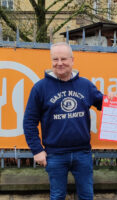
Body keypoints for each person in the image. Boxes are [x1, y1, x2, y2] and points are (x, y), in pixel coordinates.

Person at [23, 42, 112, 199]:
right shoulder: (40, 88)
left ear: (72, 60)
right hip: (54, 154)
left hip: (82, 153)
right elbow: (29, 121)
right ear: (51, 61)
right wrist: (37, 150)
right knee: (57, 196)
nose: (59, 63)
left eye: (63, 59)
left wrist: (111, 101)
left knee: (87, 196)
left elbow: (103, 103)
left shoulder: (85, 85)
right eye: (55, 59)